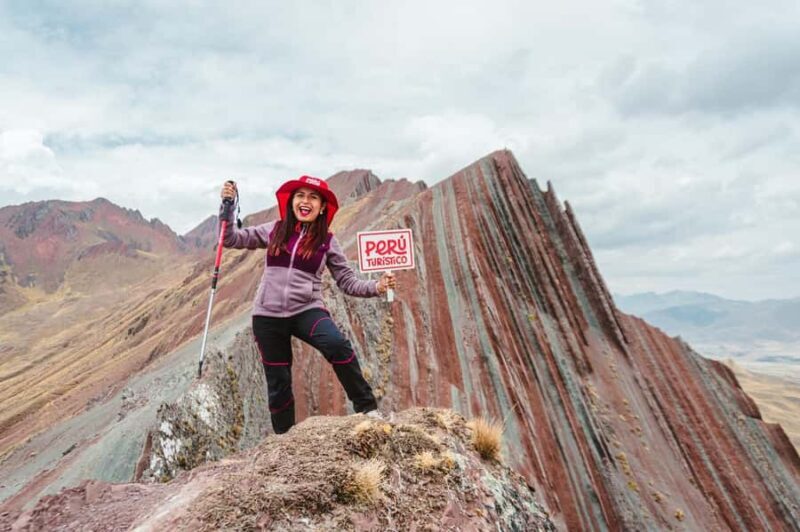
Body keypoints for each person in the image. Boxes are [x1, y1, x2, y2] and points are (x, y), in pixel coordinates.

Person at [219, 176, 396, 434]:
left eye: (313, 197)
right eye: (300, 195)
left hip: (306, 310)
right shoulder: (274, 229)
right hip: (267, 315)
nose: (305, 201)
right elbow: (231, 238)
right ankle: (285, 439)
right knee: (278, 382)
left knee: (337, 345)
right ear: (291, 202)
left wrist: (376, 287)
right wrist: (228, 206)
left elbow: (347, 281)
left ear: (322, 207)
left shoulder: (327, 241)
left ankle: (368, 409)